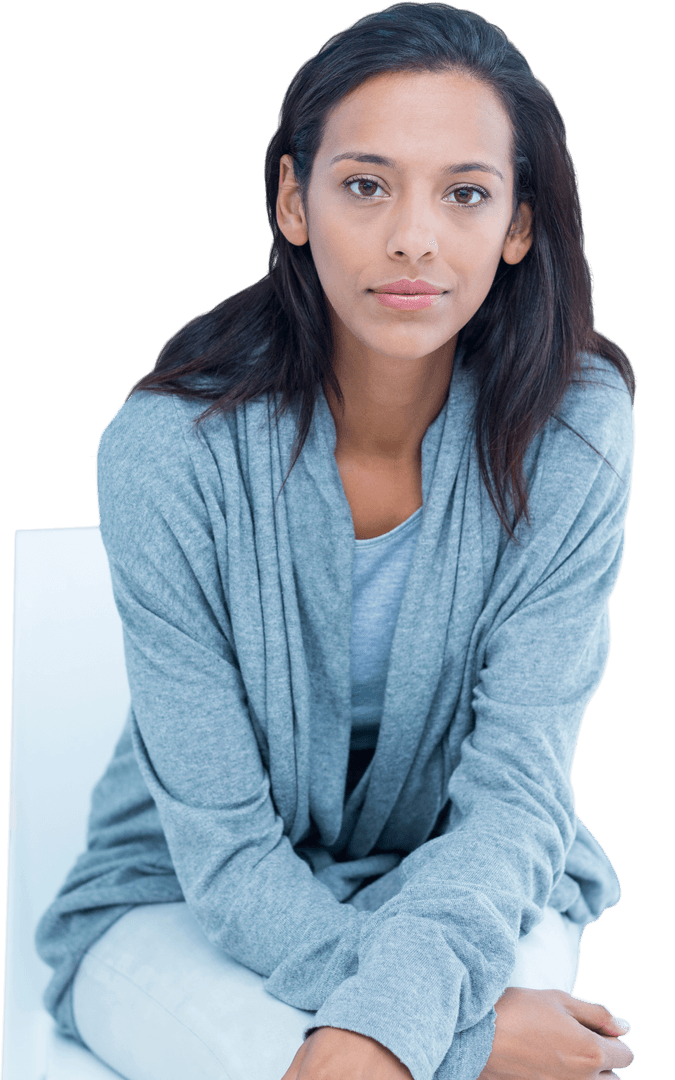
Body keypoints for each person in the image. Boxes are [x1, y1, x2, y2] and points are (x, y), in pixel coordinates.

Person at [36, 4, 637, 1079]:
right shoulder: (167, 452)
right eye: (366, 185)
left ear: (518, 226)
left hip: (470, 884)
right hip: (183, 903)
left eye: (465, 193)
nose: (414, 236)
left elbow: (516, 794)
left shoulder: (576, 432)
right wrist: (451, 1032)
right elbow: (221, 853)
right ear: (292, 200)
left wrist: (398, 1011)